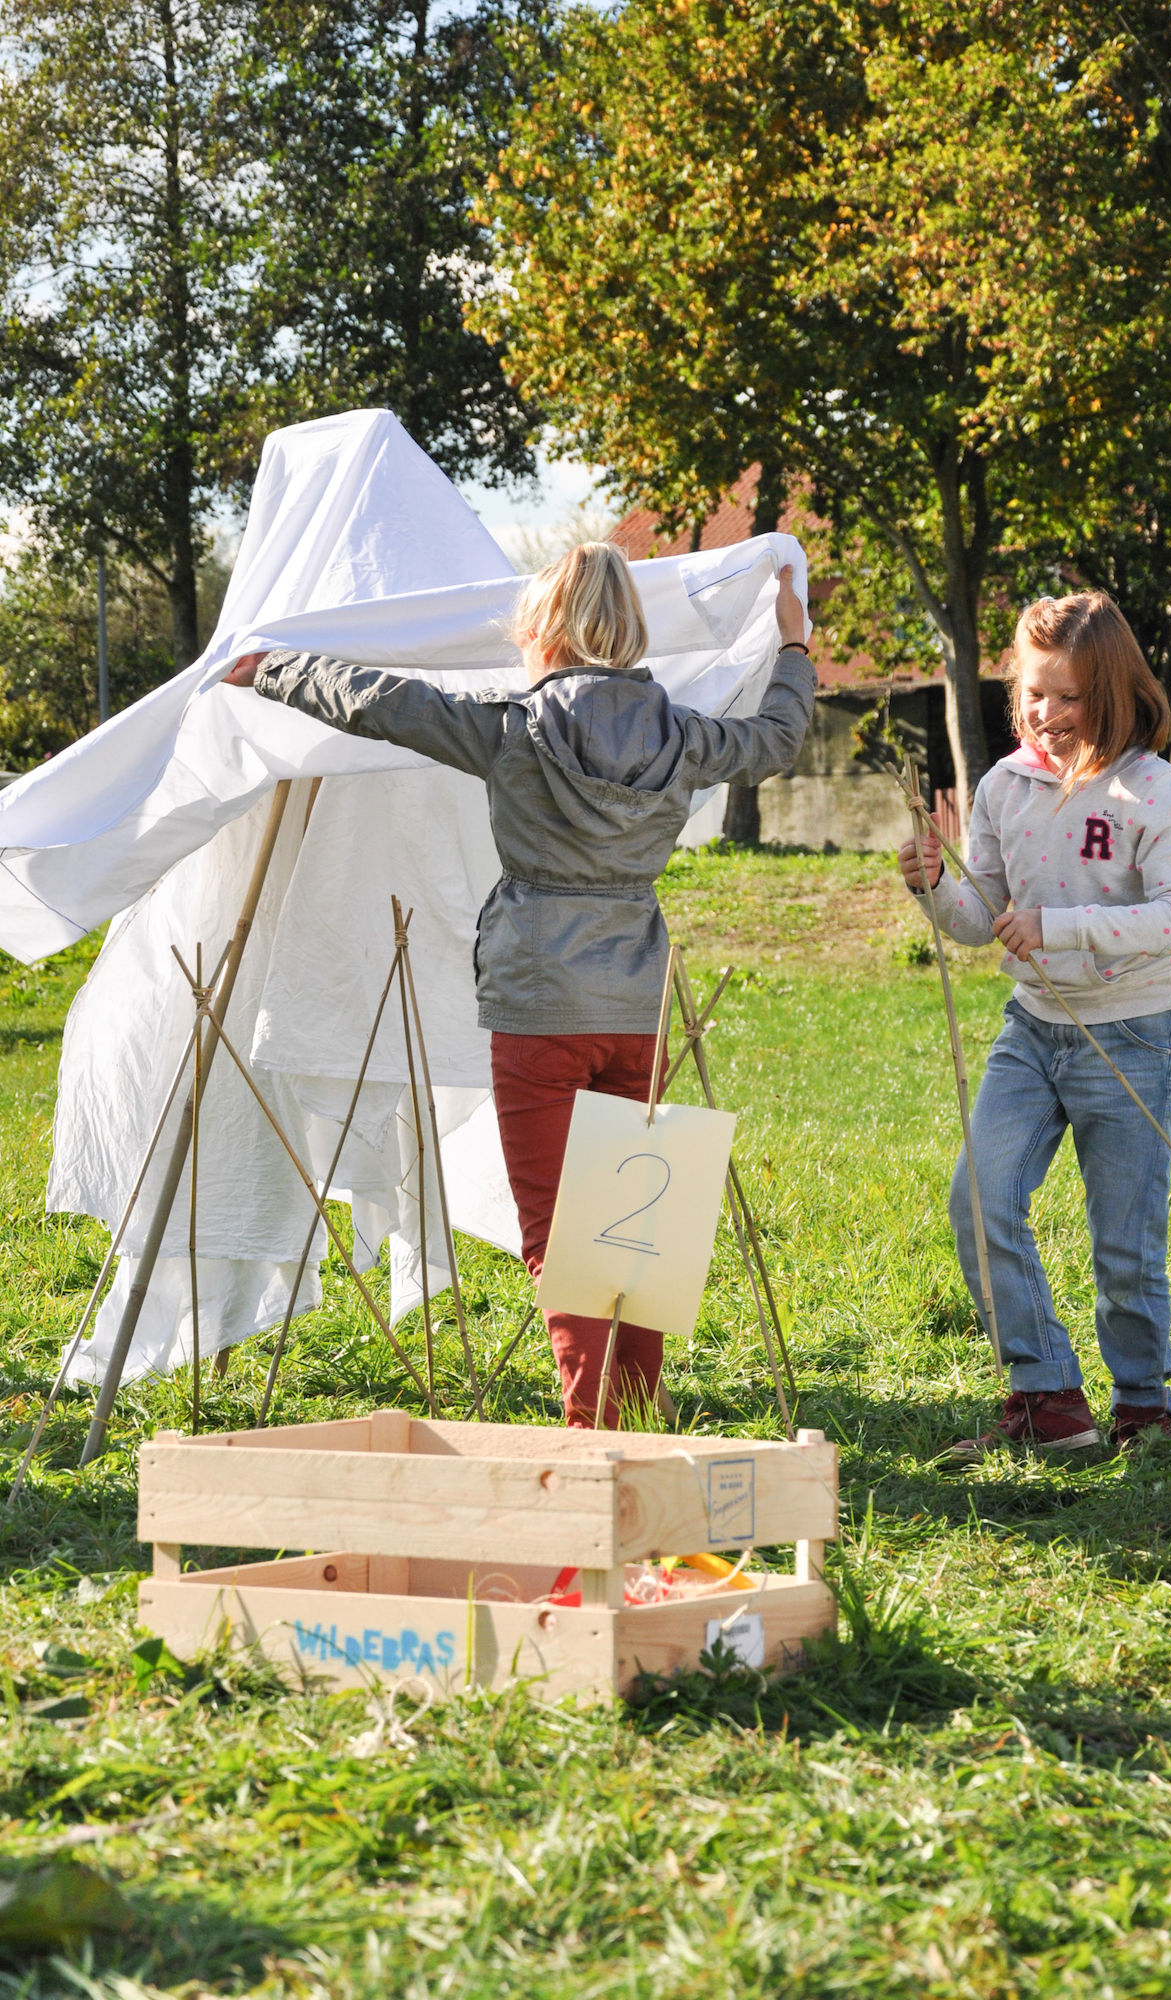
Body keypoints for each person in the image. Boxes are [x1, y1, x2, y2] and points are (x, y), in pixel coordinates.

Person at [224, 541, 814, 1427]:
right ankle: (634, 1415)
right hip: (638, 1002)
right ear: (632, 629)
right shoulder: (683, 733)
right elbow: (774, 739)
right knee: (630, 1224)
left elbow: (384, 704)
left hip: (539, 1001)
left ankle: (595, 1437)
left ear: (540, 630)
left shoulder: (511, 727)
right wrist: (796, 648)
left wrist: (273, 668)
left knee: (558, 1235)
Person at [898, 591, 1171, 1456]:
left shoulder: (1151, 790)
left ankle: (1142, 1405)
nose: (1047, 713)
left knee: (1123, 1242)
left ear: (1111, 693)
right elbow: (979, 916)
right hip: (1031, 1030)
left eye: (1069, 696)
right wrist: (931, 886)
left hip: (1132, 1036)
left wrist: (1062, 930)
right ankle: (1046, 1401)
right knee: (980, 1198)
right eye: (1033, 692)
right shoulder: (1003, 786)